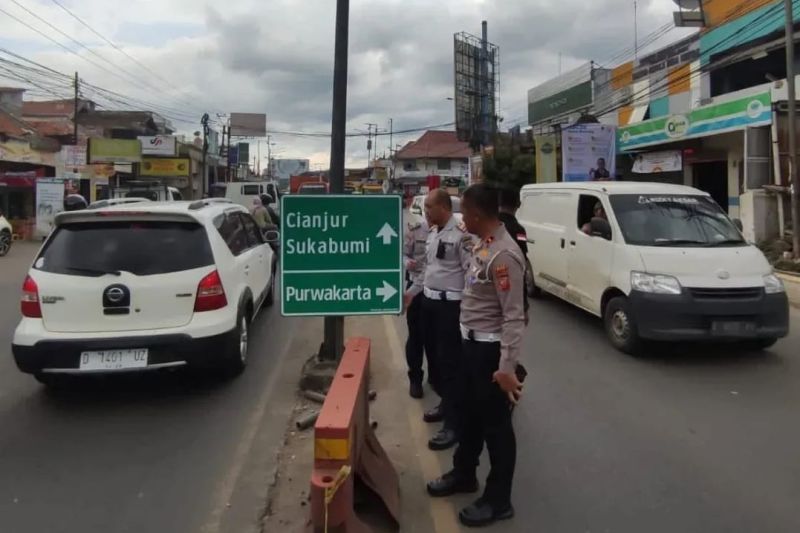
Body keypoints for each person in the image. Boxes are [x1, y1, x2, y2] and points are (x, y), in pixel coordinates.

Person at [426, 182, 526, 528]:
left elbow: (514, 316)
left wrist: (507, 367)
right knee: (467, 417)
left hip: (489, 352)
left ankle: (499, 500)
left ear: (477, 214)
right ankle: (464, 473)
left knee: (496, 428)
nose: (461, 217)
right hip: (470, 345)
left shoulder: (504, 256)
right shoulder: (483, 245)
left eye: (464, 211)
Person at [406, 188, 473, 451]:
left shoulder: (462, 234)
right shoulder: (432, 232)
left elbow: (471, 273)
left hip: (450, 307)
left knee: (452, 364)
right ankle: (446, 406)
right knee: (437, 361)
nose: (426, 212)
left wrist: (467, 307)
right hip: (430, 303)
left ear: (444, 208)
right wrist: (411, 293)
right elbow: (429, 269)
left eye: (430, 208)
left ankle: (454, 425)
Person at [403, 217, 435, 399]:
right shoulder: (415, 230)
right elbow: (402, 254)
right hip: (415, 290)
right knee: (415, 336)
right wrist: (407, 262)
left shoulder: (452, 233)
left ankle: (435, 375)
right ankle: (415, 378)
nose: (429, 213)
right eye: (427, 209)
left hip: (437, 290)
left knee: (436, 338)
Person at [497, 186, 529, 321]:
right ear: (518, 204)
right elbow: (522, 263)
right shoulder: (519, 231)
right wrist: (525, 306)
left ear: (498, 203)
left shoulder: (490, 225)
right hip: (510, 287)